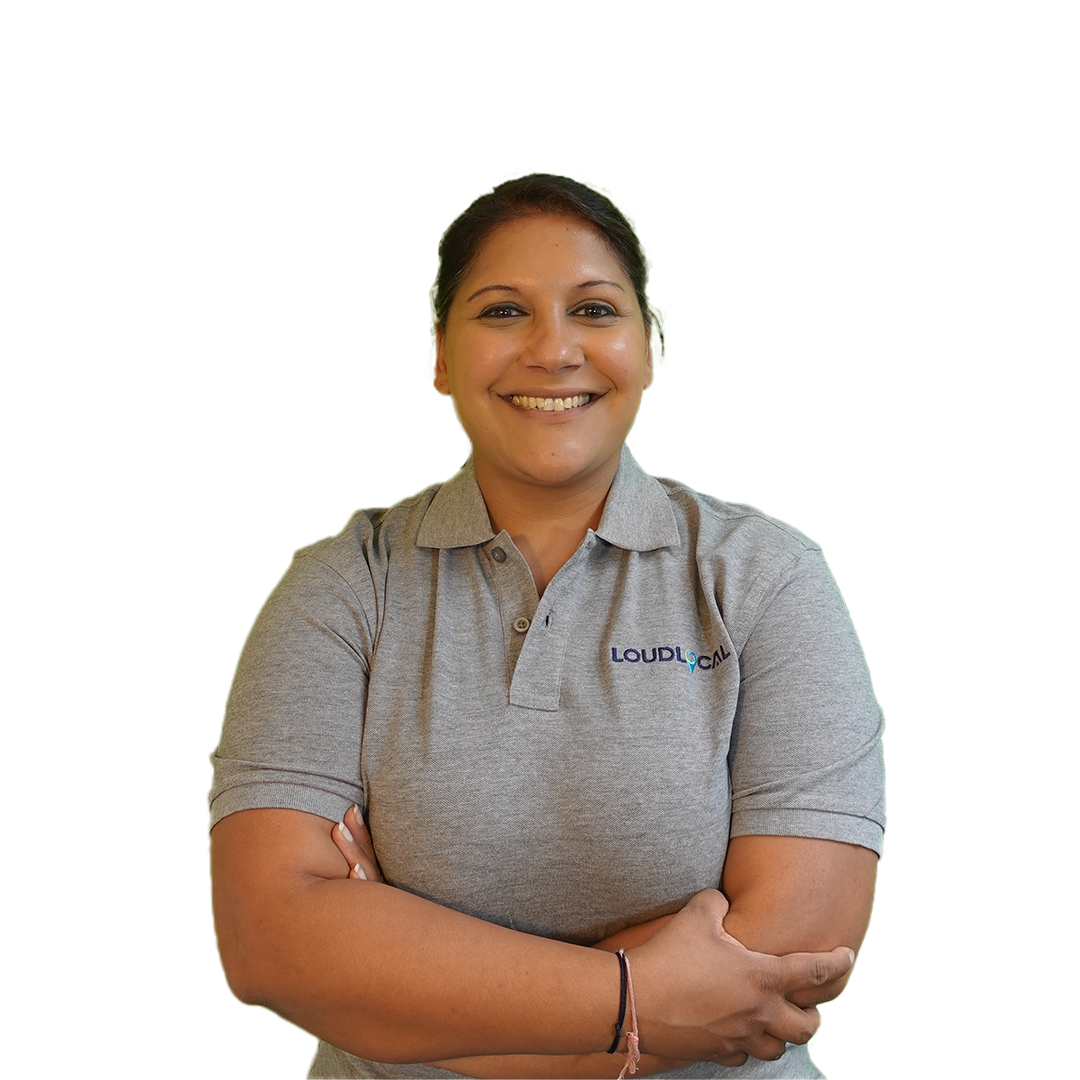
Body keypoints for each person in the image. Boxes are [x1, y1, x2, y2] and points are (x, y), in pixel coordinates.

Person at [209, 174, 885, 1079]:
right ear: (443, 356)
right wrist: (646, 1005)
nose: (553, 349)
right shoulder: (343, 589)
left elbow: (792, 954)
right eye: (500, 312)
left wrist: (402, 1008)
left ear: (646, 347)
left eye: (595, 310)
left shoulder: (766, 579)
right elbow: (270, 941)